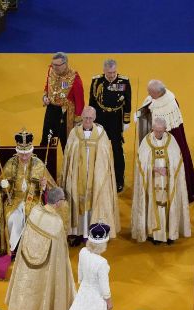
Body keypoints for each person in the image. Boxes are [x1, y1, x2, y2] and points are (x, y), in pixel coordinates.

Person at [0, 129, 56, 278]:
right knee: (12, 219)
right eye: (22, 153)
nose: (25, 156)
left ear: (31, 151)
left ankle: (31, 251)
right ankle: (12, 249)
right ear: (18, 152)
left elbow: (50, 187)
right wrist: (3, 185)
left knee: (33, 218)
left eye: (27, 153)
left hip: (34, 201)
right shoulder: (11, 163)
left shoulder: (39, 163)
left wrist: (44, 187)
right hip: (14, 200)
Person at [5, 187, 75, 310]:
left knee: (25, 289)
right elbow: (60, 253)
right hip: (42, 268)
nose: (63, 203)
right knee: (38, 291)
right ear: (57, 203)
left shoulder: (35, 211)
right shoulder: (56, 223)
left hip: (26, 261)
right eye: (63, 200)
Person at [61, 106, 120, 243]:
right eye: (85, 118)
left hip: (96, 175)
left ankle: (96, 231)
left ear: (94, 118)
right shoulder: (74, 133)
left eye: (90, 118)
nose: (87, 121)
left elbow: (106, 155)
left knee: (96, 199)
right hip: (78, 176)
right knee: (76, 198)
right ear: (81, 117)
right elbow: (69, 155)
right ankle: (77, 232)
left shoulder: (101, 133)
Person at [137, 79, 194, 200]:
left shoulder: (169, 104)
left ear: (158, 93)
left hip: (169, 141)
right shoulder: (157, 97)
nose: (148, 93)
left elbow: (162, 128)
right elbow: (148, 108)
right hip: (161, 137)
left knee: (175, 162)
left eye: (150, 92)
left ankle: (180, 194)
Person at [131, 117, 191, 245]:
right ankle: (154, 234)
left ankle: (170, 233)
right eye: (156, 130)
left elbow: (178, 161)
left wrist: (168, 170)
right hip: (152, 182)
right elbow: (140, 164)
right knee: (154, 206)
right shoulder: (146, 142)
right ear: (152, 128)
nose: (158, 133)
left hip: (169, 183)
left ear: (165, 129)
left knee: (169, 206)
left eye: (161, 131)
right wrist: (153, 169)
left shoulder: (171, 141)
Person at [88, 59, 131, 193]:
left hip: (116, 119)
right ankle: (98, 177)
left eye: (114, 72)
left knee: (117, 150)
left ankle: (119, 180)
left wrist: (126, 121)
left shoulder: (124, 81)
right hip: (100, 119)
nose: (112, 75)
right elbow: (92, 102)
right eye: (109, 73)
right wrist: (91, 121)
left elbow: (127, 102)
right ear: (104, 71)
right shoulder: (96, 81)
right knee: (99, 149)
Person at [41, 52, 84, 150]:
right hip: (51, 110)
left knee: (67, 144)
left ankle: (69, 165)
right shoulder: (51, 70)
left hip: (66, 114)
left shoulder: (74, 78)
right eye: (53, 64)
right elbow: (47, 86)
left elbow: (79, 101)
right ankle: (44, 164)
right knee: (46, 141)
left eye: (57, 65)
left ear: (65, 64)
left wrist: (78, 121)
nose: (54, 67)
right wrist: (45, 97)